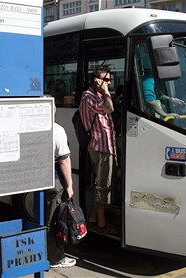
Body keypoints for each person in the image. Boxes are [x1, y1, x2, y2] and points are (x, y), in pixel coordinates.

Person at [78, 66, 118, 235]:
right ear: (96, 80)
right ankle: (101, 225)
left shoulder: (99, 96)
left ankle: (94, 218)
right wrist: (107, 92)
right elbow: (109, 109)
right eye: (105, 79)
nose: (108, 83)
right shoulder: (88, 97)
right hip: (100, 147)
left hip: (106, 146)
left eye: (110, 80)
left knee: (105, 184)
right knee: (102, 186)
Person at [44, 95, 76, 268]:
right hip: (53, 179)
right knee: (53, 219)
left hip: (34, 178)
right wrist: (69, 185)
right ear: (53, 108)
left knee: (40, 216)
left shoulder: (31, 127)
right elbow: (64, 160)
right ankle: (55, 257)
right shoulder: (57, 130)